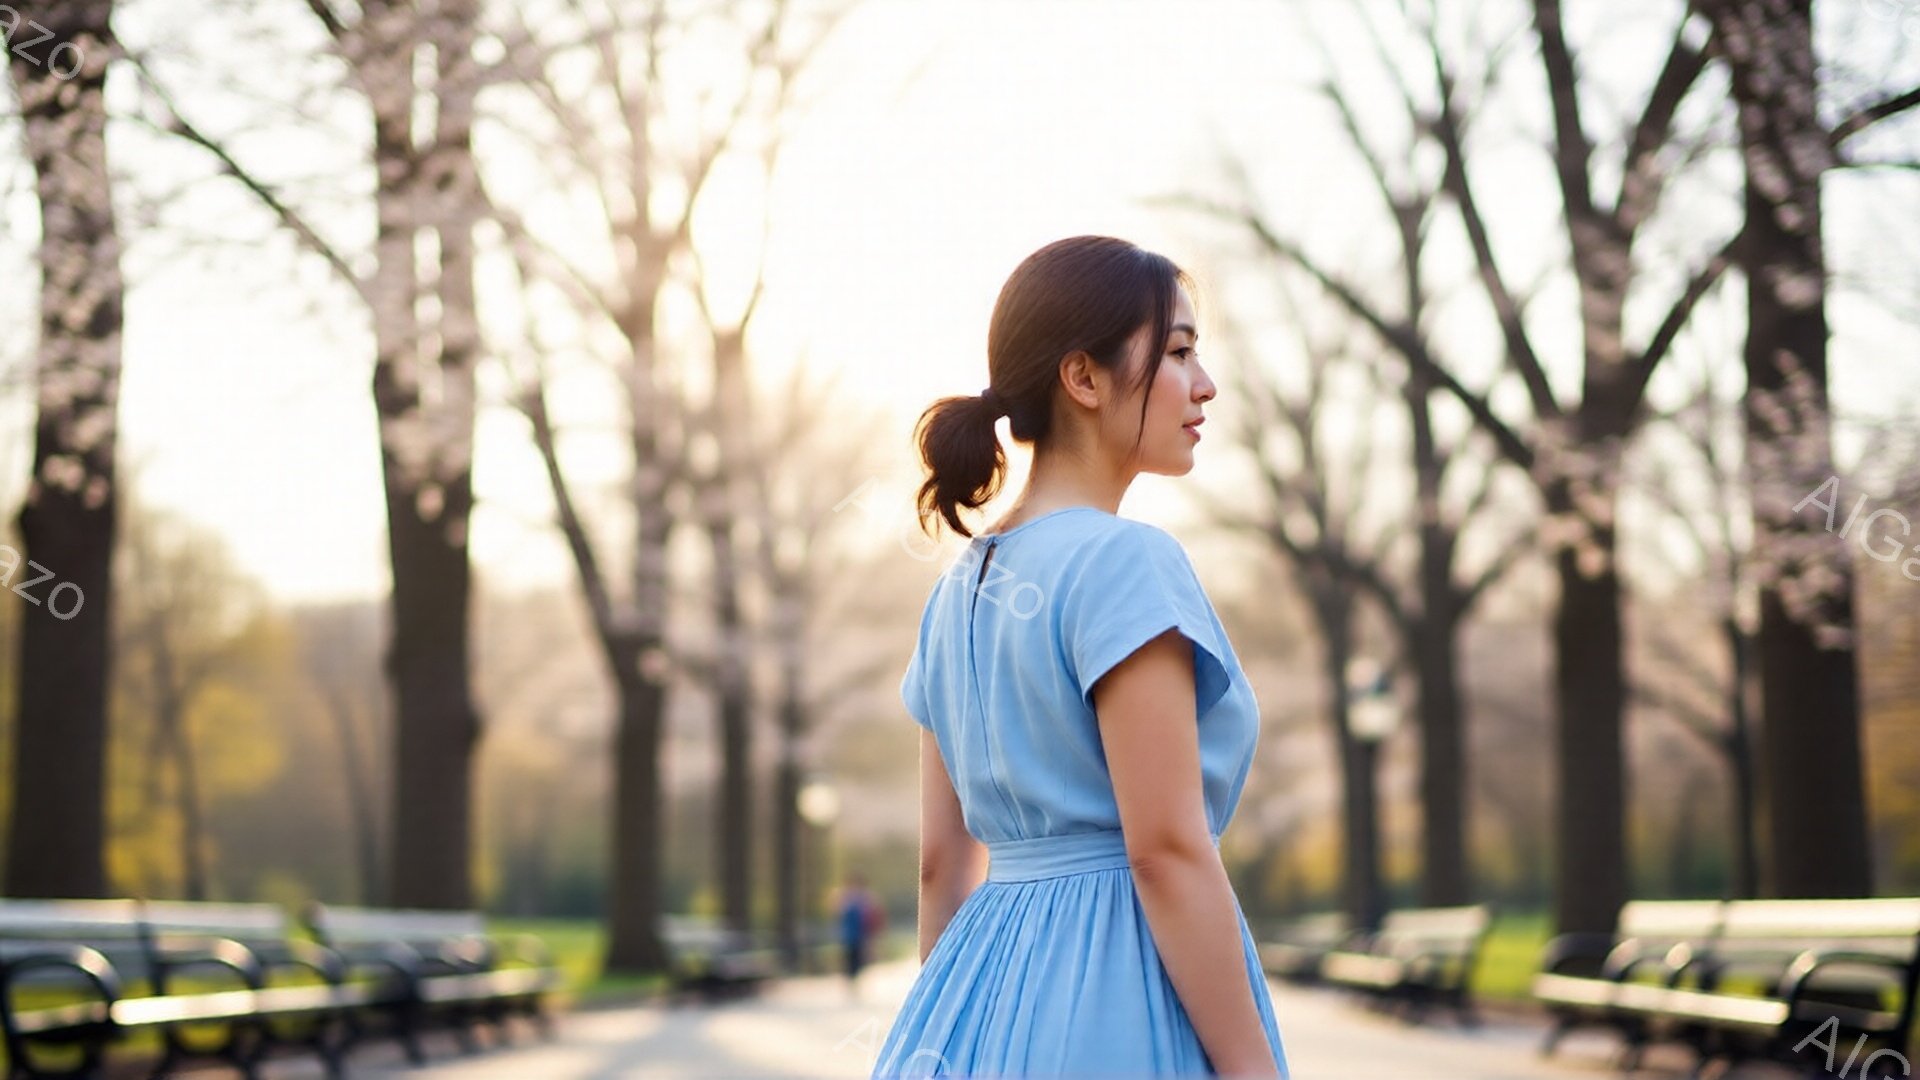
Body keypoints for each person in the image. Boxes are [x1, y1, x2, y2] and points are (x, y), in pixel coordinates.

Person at [872, 236, 1288, 1077]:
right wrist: (1255, 1071)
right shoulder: (1125, 562)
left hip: (973, 989)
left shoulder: (957, 590)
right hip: (1120, 982)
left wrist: (955, 1027)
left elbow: (940, 865)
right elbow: (1165, 850)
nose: (1204, 384)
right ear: (1084, 378)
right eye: (1177, 352)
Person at [837, 870, 886, 999]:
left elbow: (874, 918)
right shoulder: (847, 898)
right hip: (849, 936)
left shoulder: (865, 899)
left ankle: (855, 981)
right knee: (850, 959)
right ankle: (851, 982)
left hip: (860, 935)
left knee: (858, 960)